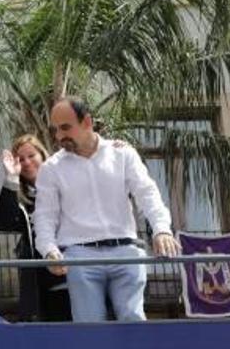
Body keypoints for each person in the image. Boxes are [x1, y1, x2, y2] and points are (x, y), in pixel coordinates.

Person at [33, 96, 181, 322]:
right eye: (56, 130)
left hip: (126, 251)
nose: (59, 136)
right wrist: (49, 250)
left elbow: (147, 193)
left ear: (87, 122)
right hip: (80, 257)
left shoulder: (123, 154)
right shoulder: (51, 168)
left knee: (133, 321)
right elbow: (44, 216)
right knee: (89, 326)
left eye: (65, 128)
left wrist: (161, 229)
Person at [0, 134, 71, 321]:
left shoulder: (66, 183)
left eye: (31, 156)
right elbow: (5, 223)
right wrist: (11, 177)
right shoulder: (21, 196)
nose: (27, 162)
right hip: (39, 279)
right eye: (21, 159)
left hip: (72, 271)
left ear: (43, 155)